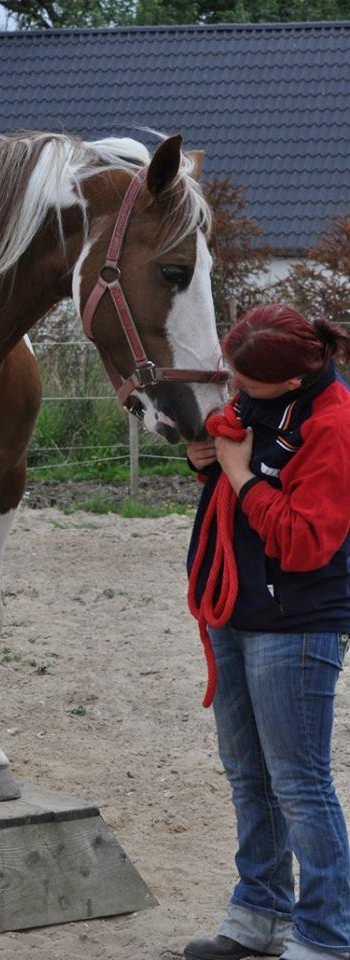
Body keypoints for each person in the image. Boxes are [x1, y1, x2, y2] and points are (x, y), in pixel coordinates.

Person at [184, 303, 350, 960]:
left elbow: (306, 540)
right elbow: (242, 464)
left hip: (295, 622)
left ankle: (326, 932)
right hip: (233, 611)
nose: (232, 388)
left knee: (300, 782)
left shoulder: (334, 425)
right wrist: (209, 461)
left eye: (243, 382)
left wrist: (235, 472)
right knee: (246, 774)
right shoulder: (258, 399)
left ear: (285, 383)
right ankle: (260, 910)